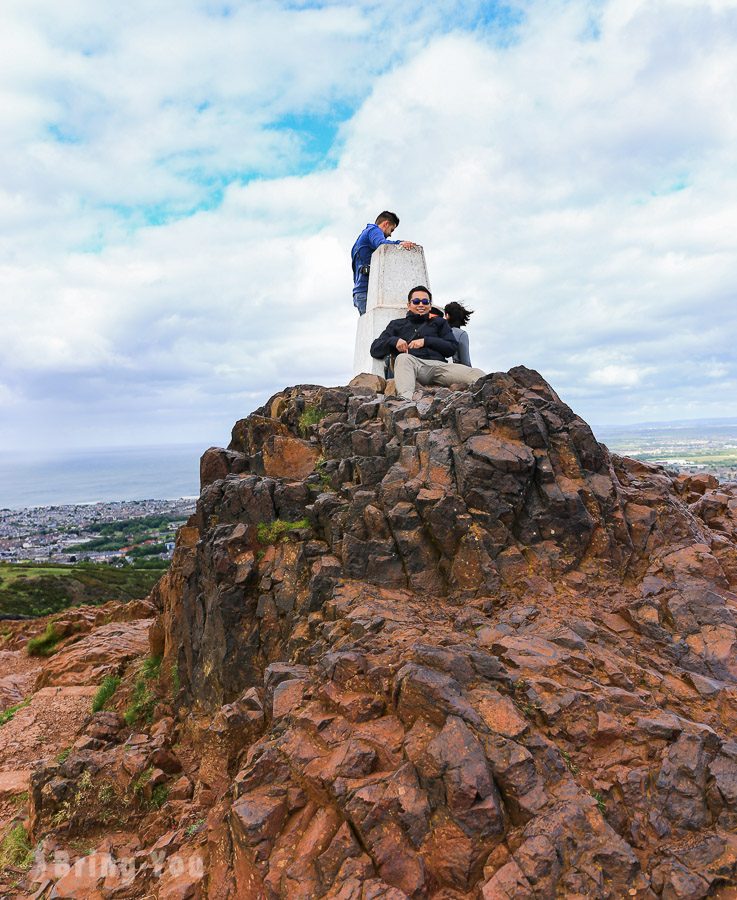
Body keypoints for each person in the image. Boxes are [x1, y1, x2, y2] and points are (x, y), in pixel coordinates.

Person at [370, 286, 485, 401]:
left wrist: (426, 341)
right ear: (408, 305)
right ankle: (405, 402)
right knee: (403, 358)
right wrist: (394, 341)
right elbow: (375, 349)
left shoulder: (440, 323)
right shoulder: (396, 324)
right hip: (413, 364)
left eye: (425, 301)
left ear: (430, 306)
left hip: (440, 367)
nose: (421, 304)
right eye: (416, 301)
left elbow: (451, 348)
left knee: (476, 373)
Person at [351, 212, 416, 315]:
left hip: (360, 292)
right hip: (366, 291)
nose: (390, 234)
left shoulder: (362, 236)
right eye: (391, 229)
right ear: (386, 224)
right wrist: (399, 243)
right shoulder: (374, 230)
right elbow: (381, 243)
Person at [444, 301, 474, 367]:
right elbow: (466, 362)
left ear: (447, 315)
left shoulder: (437, 331)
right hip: (454, 369)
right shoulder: (461, 334)